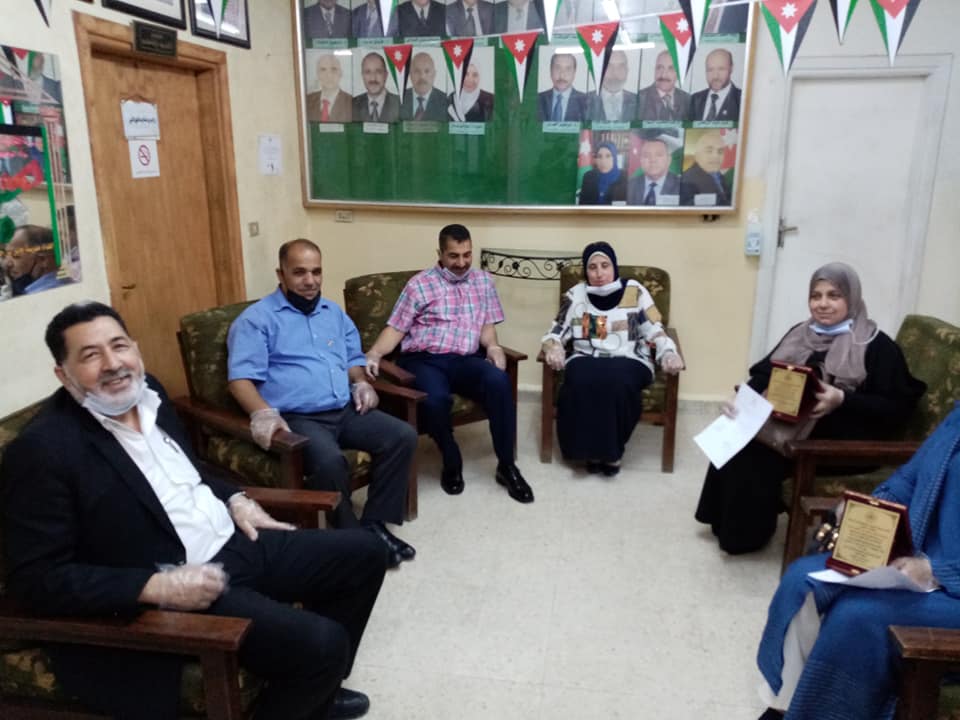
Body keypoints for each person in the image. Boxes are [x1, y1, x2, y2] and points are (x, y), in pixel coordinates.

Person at [1, 301, 386, 720]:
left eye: (119, 345)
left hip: (234, 541)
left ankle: (318, 692)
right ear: (64, 374)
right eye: (91, 355)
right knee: (321, 643)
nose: (113, 364)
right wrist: (154, 586)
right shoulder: (42, 450)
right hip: (174, 582)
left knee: (366, 552)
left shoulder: (150, 393)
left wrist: (236, 499)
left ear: (135, 348)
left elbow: (190, 470)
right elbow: (35, 579)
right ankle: (315, 680)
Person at [695, 263, 926, 554]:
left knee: (757, 450)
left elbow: (897, 407)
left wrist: (842, 399)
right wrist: (741, 398)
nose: (823, 304)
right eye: (816, 296)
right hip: (795, 424)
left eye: (834, 296)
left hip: (845, 437)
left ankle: (743, 537)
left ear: (852, 297)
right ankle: (721, 519)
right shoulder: (801, 333)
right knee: (739, 431)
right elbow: (765, 373)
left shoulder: (876, 344)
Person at [756, 405, 960, 720]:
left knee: (857, 615)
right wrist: (868, 510)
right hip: (920, 558)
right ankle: (787, 705)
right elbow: (910, 479)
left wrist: (938, 572)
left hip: (950, 586)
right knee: (805, 580)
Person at [227, 239, 418, 568]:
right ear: (281, 274)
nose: (310, 280)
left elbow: (353, 358)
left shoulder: (333, 313)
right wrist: (262, 413)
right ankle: (351, 536)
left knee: (402, 436)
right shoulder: (256, 320)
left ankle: (374, 524)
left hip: (344, 409)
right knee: (329, 462)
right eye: (299, 272)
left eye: (316, 272)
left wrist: (360, 382)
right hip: (299, 418)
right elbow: (239, 380)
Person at [364, 224, 534, 504]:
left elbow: (486, 325)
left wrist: (493, 346)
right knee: (434, 400)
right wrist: (374, 353)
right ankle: (451, 457)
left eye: (467, 255)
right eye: (454, 256)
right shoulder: (419, 284)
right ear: (440, 253)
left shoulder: (483, 282)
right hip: (425, 359)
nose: (462, 263)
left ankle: (507, 466)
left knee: (499, 382)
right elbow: (396, 328)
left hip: (466, 358)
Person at [541, 242, 683, 474]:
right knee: (580, 379)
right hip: (586, 357)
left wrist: (668, 352)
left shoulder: (635, 290)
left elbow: (655, 328)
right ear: (586, 271)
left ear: (614, 267)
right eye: (592, 267)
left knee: (617, 381)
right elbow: (556, 331)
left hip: (630, 357)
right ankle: (587, 452)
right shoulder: (576, 295)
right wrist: (554, 347)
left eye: (605, 265)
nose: (599, 273)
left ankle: (611, 453)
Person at [3, 224, 70, 296]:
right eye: (5, 256)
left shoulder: (45, 294)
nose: (7, 264)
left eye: (15, 254)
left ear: (43, 259)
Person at [680, 129, 731, 206]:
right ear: (697, 156)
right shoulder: (687, 180)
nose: (716, 156)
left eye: (720, 151)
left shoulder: (720, 176)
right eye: (709, 151)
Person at [636, 50, 691, 121]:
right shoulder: (640, 99)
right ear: (655, 70)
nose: (664, 75)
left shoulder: (687, 100)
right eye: (660, 68)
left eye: (671, 69)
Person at [688, 48, 741, 122]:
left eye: (721, 69)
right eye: (710, 70)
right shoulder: (694, 99)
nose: (715, 76)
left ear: (731, 69)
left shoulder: (741, 100)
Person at [627, 136, 681, 206]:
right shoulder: (630, 185)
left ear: (669, 160)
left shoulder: (682, 186)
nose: (652, 160)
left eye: (659, 155)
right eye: (646, 156)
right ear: (641, 160)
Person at [587, 50, 637, 122]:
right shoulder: (584, 101)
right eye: (608, 66)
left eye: (621, 66)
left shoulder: (639, 101)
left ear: (627, 71)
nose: (615, 72)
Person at [537, 52, 589, 122]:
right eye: (557, 68)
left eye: (568, 69)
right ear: (550, 71)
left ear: (574, 73)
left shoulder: (586, 102)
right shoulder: (536, 100)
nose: (562, 75)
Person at [353, 52, 401, 122]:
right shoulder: (352, 105)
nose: (373, 78)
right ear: (362, 76)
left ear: (386, 75)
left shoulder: (400, 104)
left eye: (378, 72)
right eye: (368, 72)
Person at [400, 52, 448, 121]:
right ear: (410, 75)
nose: (422, 77)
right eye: (417, 71)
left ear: (434, 74)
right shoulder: (399, 99)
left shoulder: (446, 101)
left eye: (427, 71)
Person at [306, 53, 353, 123]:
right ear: (317, 74)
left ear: (341, 73)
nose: (329, 75)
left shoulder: (351, 102)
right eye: (323, 70)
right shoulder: (307, 100)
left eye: (333, 69)